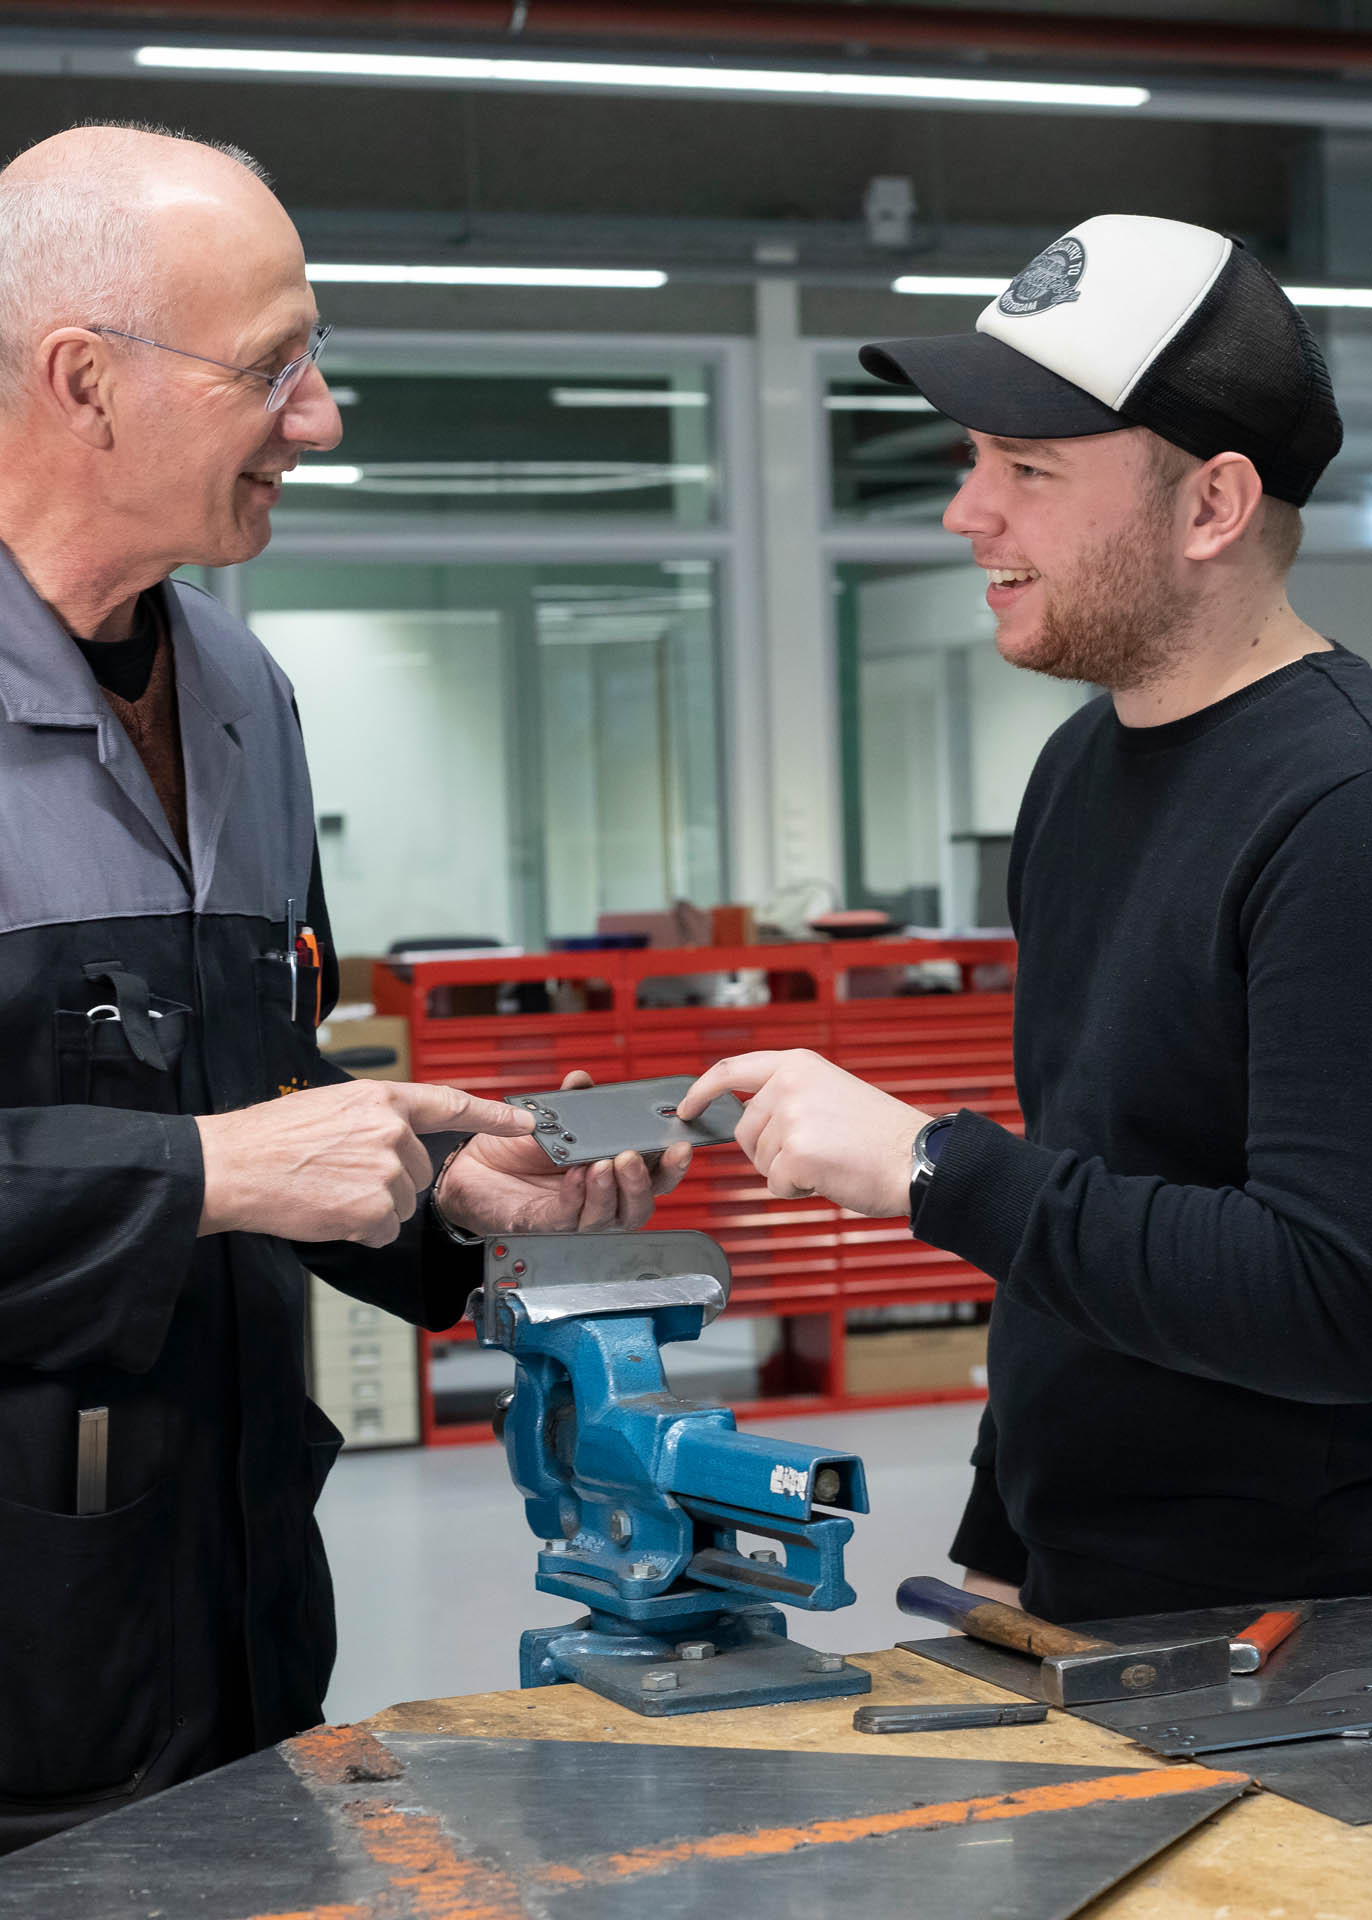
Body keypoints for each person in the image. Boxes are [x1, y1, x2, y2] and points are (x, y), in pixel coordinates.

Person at [0, 123, 689, 1852]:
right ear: (83, 383)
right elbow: (217, 1162)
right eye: (273, 367)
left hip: (237, 1648)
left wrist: (445, 1200)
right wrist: (216, 1174)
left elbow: (255, 1107)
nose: (318, 416)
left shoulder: (242, 692)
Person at [681, 212, 1372, 1629]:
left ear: (1213, 506)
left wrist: (933, 1168)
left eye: (1029, 469)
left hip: (1301, 1646)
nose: (965, 510)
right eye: (975, 460)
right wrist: (1002, 1537)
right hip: (1089, 1594)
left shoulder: (1343, 807)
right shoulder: (1078, 769)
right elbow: (1093, 1183)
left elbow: (1330, 1294)